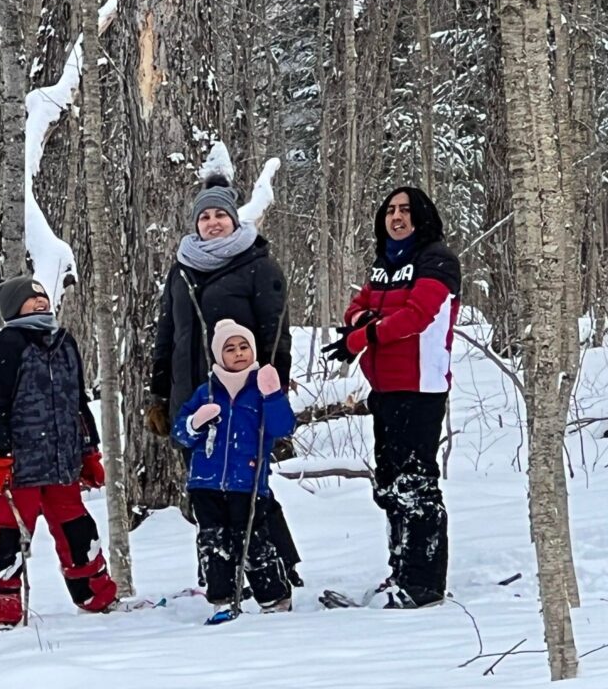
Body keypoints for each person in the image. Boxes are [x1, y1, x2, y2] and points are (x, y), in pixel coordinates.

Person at [147, 172, 304, 586]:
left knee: (248, 486)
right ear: (195, 223)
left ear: (234, 220)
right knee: (206, 487)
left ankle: (276, 566)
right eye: (205, 217)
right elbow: (168, 334)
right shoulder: (181, 269)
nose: (213, 222)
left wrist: (275, 390)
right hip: (192, 395)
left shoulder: (257, 265)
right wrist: (159, 394)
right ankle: (220, 574)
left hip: (244, 395)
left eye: (221, 215)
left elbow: (275, 334)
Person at [322, 186, 461, 609]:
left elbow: (418, 317)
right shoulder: (384, 265)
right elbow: (355, 308)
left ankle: (423, 586)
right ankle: (400, 570)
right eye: (390, 210)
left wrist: (365, 332)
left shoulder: (437, 260)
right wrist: (367, 321)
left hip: (420, 387)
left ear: (421, 217)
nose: (396, 217)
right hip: (383, 387)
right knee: (389, 483)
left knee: (416, 485)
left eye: (405, 210)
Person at [0, 275, 118, 629]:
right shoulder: (5, 346)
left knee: (78, 528)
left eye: (41, 296)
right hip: (21, 465)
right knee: (8, 533)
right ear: (12, 308)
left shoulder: (65, 342)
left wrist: (89, 452)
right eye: (30, 298)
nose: (40, 302)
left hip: (62, 463)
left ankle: (96, 595)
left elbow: (78, 403)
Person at [173, 320, 296, 613]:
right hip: (206, 482)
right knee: (214, 542)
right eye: (230, 349)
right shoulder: (206, 392)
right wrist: (194, 423)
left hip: (248, 481)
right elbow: (180, 435)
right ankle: (222, 600)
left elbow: (283, 427)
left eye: (244, 347)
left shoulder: (261, 389)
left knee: (253, 541)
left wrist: (274, 396)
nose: (238, 353)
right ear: (219, 356)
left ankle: (275, 598)